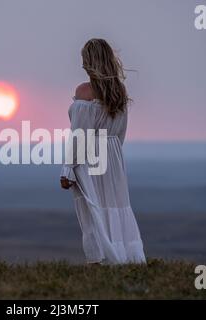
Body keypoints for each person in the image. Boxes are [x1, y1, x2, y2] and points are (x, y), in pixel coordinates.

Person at [60, 38, 146, 265]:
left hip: (90, 155)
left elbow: (79, 133)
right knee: (116, 206)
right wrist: (114, 154)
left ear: (90, 61)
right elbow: (120, 133)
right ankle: (126, 256)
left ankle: (99, 259)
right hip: (113, 155)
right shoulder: (119, 91)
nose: (81, 65)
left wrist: (68, 168)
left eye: (84, 60)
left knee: (92, 207)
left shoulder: (84, 90)